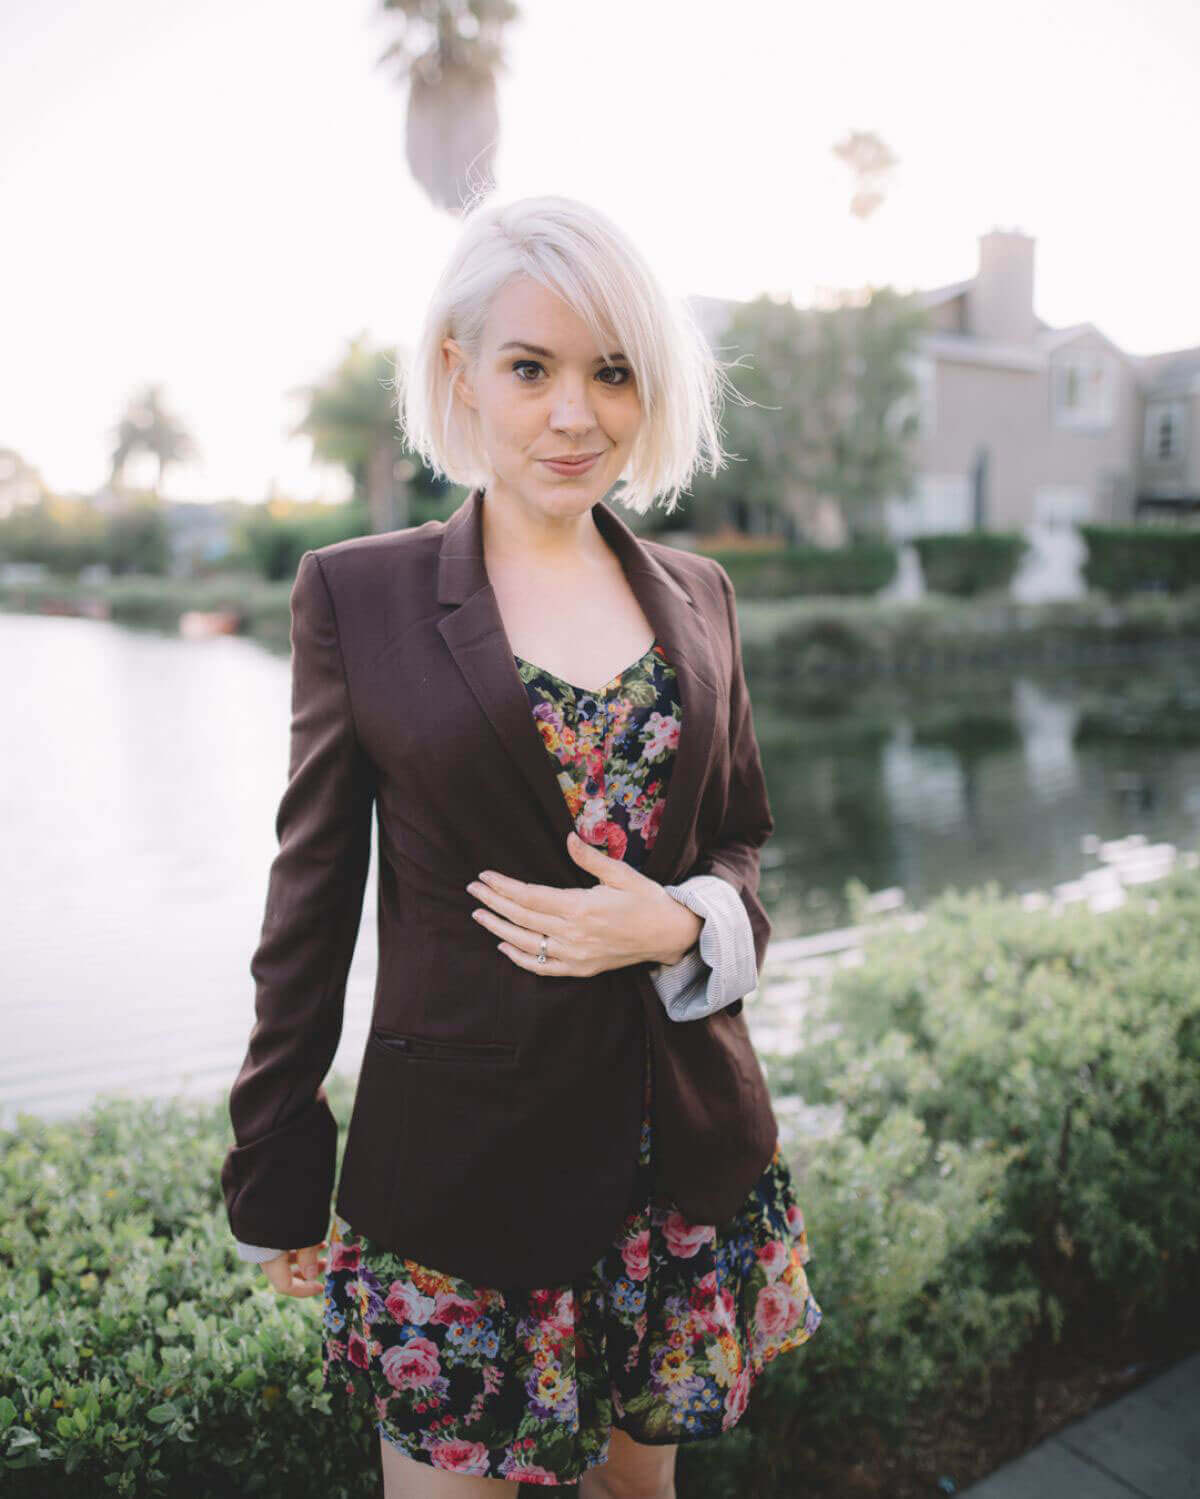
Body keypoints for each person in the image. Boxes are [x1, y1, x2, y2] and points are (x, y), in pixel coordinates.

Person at [221, 192, 822, 1496]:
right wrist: (275, 1159)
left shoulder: (701, 595)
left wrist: (684, 923)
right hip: (456, 1183)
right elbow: (310, 901)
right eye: (531, 367)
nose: (576, 413)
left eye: (612, 372)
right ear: (460, 371)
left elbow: (738, 842)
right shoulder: (357, 594)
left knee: (636, 1495)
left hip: (681, 1164)